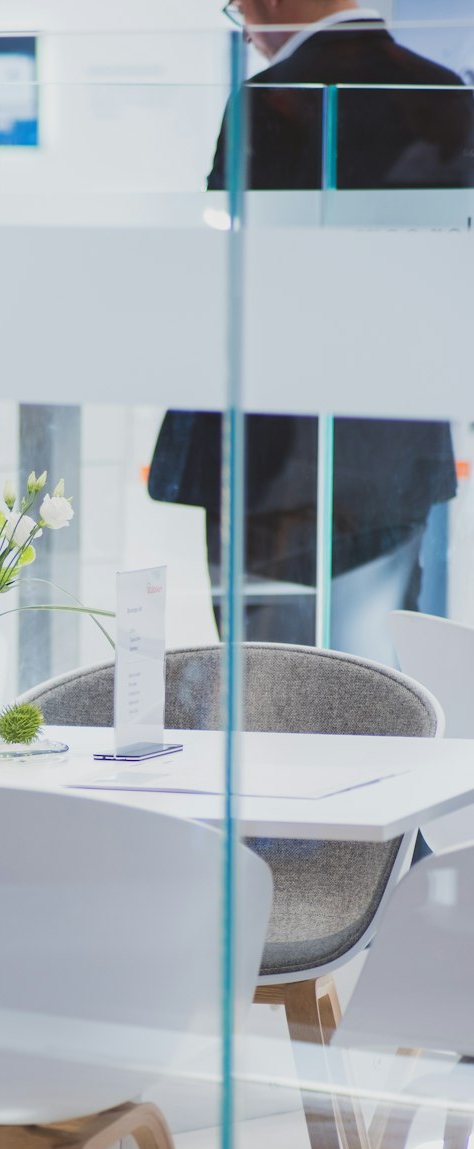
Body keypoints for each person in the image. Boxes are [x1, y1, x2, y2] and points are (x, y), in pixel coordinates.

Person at [148, 0, 474, 658]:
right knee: (376, 680)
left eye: (238, 10)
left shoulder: (269, 100)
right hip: (395, 442)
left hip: (271, 453)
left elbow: (230, 272)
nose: (246, 30)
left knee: (270, 682)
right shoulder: (447, 94)